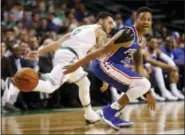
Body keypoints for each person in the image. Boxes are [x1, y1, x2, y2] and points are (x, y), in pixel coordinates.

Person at [4, 12, 114, 124]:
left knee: (84, 83)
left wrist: (39, 52)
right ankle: (15, 84)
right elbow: (102, 53)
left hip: (63, 53)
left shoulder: (80, 28)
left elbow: (58, 43)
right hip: (70, 57)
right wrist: (106, 77)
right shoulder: (100, 31)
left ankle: (89, 114)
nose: (111, 25)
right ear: (101, 21)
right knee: (51, 86)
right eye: (109, 22)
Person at [63, 7, 160, 130]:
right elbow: (101, 51)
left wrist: (147, 92)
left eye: (149, 20)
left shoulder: (141, 40)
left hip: (114, 67)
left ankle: (112, 113)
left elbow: (139, 65)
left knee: (138, 87)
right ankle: (108, 111)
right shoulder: (127, 33)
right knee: (144, 83)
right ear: (136, 19)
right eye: (142, 19)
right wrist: (76, 65)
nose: (146, 22)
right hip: (104, 64)